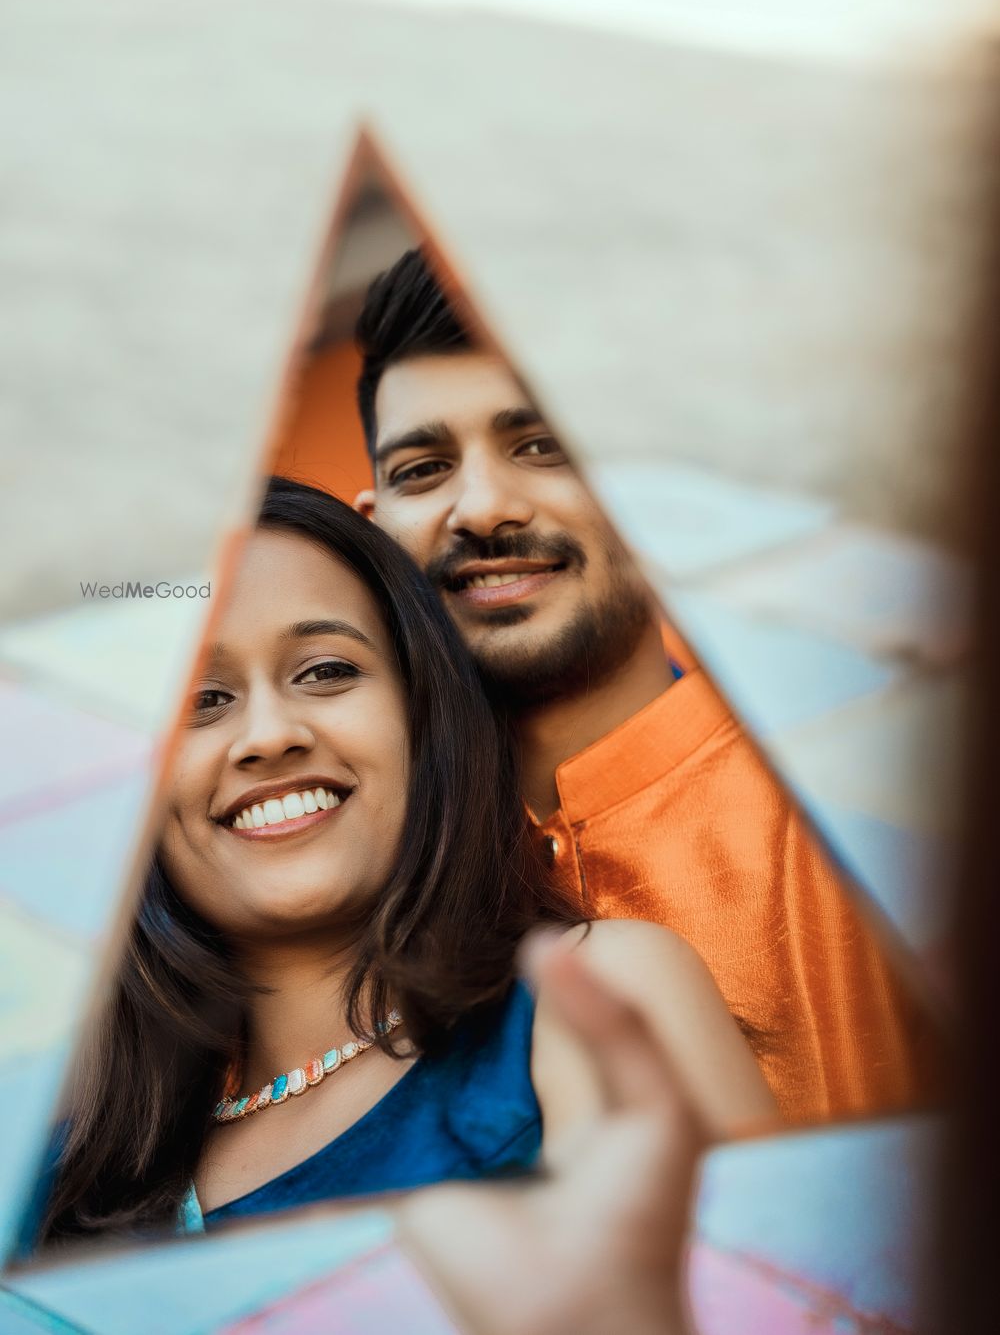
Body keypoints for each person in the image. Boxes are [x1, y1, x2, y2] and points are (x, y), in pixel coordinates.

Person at [41, 479, 773, 1243]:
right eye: (199, 700)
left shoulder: (594, 1001)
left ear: (423, 716)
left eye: (325, 670)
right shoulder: (66, 1177)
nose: (269, 734)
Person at [353, 247, 940, 1124]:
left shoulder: (884, 795)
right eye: (422, 470)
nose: (481, 508)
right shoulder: (356, 885)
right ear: (374, 531)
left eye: (545, 445)